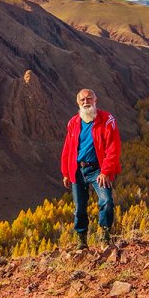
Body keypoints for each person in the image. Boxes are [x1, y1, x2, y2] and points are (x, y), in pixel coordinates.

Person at [60, 89, 121, 248]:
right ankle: (81, 241)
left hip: (98, 170)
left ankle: (105, 235)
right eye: (82, 100)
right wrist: (66, 172)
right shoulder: (73, 122)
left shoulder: (107, 119)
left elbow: (114, 147)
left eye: (89, 99)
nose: (86, 102)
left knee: (106, 202)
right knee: (79, 207)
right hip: (77, 170)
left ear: (96, 100)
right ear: (78, 103)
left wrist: (106, 171)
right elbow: (68, 148)